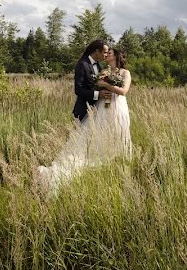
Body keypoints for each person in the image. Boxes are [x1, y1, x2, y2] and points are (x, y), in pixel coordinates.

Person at [34, 43, 133, 195]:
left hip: (116, 108)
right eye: (105, 52)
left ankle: (114, 166)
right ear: (97, 51)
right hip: (97, 109)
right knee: (89, 141)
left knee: (114, 138)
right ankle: (64, 170)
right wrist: (100, 92)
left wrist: (104, 85)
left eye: (109, 53)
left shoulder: (115, 71)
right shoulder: (89, 66)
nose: (106, 55)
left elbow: (123, 91)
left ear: (117, 56)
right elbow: (79, 89)